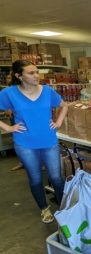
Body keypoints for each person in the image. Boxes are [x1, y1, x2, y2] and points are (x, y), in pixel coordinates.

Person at [0, 60, 68, 223]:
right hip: (25, 144)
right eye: (31, 73)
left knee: (56, 177)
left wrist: (58, 122)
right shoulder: (9, 93)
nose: (36, 75)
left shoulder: (47, 91)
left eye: (37, 72)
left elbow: (64, 105)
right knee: (36, 178)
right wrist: (7, 128)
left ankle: (65, 208)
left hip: (49, 141)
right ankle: (44, 209)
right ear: (19, 76)